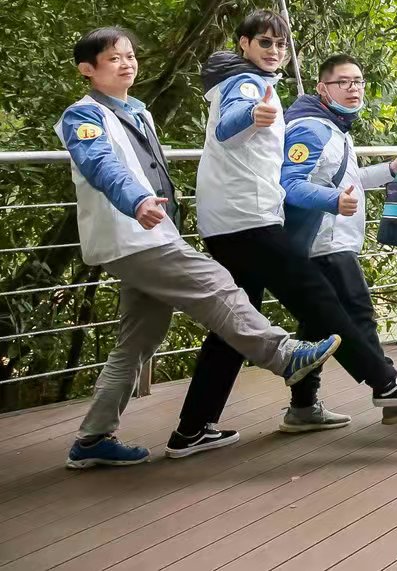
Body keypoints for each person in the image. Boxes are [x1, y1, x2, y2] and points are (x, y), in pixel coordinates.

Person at [57, 27, 339, 469]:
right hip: (132, 235)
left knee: (137, 341)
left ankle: (93, 438)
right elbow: (101, 164)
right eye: (114, 59)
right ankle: (284, 355)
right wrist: (137, 200)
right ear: (87, 70)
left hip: (150, 232)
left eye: (130, 55)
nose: (127, 64)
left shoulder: (138, 112)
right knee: (215, 282)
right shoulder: (82, 116)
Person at [179, 11, 397, 456]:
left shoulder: (261, 88)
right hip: (247, 218)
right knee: (317, 297)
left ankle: (193, 427)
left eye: (281, 44)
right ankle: (384, 382)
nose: (275, 51)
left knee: (234, 324)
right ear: (244, 44)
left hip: (234, 218)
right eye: (265, 42)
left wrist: (387, 170)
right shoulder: (247, 85)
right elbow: (231, 126)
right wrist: (253, 115)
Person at [279, 54, 397, 432]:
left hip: (332, 239)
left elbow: (346, 180)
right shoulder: (312, 129)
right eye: (343, 82)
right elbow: (289, 184)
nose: (353, 89)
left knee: (316, 327)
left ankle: (302, 407)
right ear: (322, 88)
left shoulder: (335, 129)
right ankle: (387, 384)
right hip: (324, 241)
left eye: (358, 81)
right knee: (359, 313)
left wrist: (390, 170)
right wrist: (333, 200)